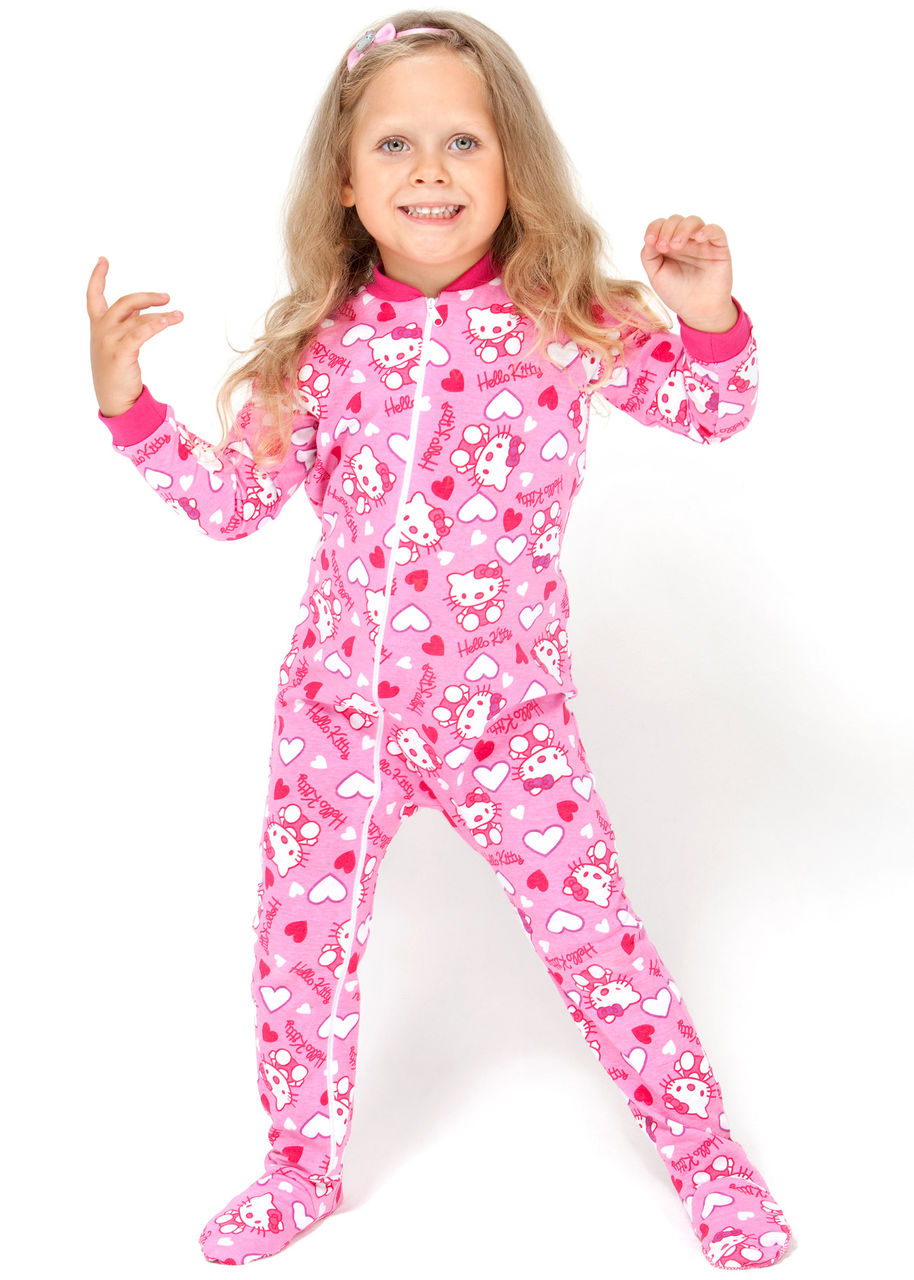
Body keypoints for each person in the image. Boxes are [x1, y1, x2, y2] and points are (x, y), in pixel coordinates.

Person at [86, 10, 791, 1269]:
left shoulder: (565, 320)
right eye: (394, 145)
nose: (429, 169)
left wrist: (708, 314)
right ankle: (299, 1168)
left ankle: (705, 1158)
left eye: (463, 141)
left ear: (512, 165)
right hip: (336, 720)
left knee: (597, 941)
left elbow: (713, 409)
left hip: (506, 722)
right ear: (345, 182)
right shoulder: (316, 352)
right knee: (297, 952)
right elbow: (233, 504)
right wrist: (128, 406)